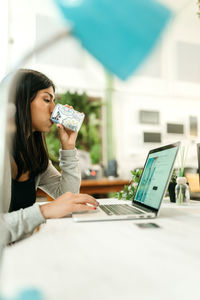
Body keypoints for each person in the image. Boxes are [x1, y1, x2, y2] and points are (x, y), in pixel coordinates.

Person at [2, 69, 98, 243]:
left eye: (54, 100)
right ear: (19, 100)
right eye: (47, 100)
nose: (54, 110)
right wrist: (43, 211)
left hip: (19, 254)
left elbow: (67, 196)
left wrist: (68, 147)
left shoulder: (34, 157)